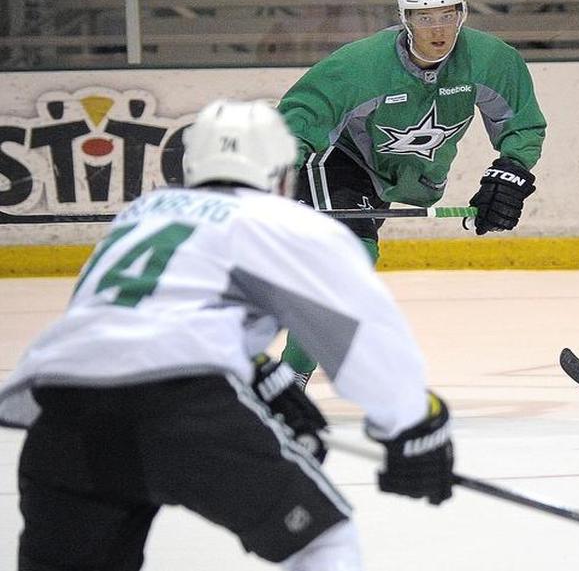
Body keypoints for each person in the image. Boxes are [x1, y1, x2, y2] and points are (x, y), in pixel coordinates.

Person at [0, 100, 455, 570]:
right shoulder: (281, 221)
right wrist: (412, 424)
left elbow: (134, 319)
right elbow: (358, 334)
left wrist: (258, 374)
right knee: (321, 542)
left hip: (63, 415)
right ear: (283, 172)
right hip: (181, 407)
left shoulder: (144, 213)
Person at [277, 0, 546, 387]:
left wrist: (510, 172)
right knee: (350, 258)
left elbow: (522, 125)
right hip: (341, 159)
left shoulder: (492, 60)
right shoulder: (360, 65)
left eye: (448, 14)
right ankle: (288, 379)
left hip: (401, 177)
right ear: (405, 20)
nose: (438, 28)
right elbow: (299, 119)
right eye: (425, 17)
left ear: (463, 14)